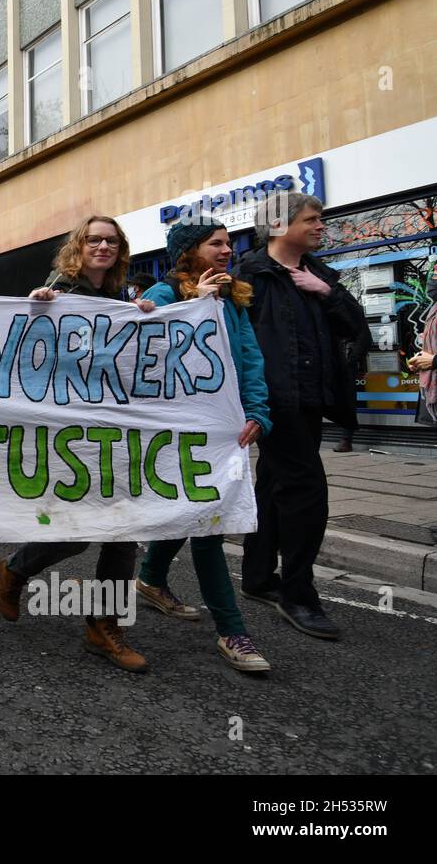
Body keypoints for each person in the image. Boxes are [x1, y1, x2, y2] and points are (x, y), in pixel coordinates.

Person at [0, 215, 158, 672]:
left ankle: (103, 627)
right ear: (79, 247)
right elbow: (29, 348)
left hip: (117, 433)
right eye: (94, 240)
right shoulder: (58, 295)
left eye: (111, 240)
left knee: (123, 531)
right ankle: (16, 568)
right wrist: (36, 305)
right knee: (78, 534)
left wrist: (145, 318)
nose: (103, 246)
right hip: (70, 436)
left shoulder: (120, 299)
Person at [136, 218, 274, 673]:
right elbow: (140, 346)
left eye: (229, 244)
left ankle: (151, 579)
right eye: (216, 243)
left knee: (196, 510)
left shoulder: (234, 299)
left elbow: (248, 358)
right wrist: (194, 306)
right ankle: (232, 630)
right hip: (172, 430)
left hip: (220, 428)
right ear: (188, 252)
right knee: (209, 521)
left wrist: (257, 411)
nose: (227, 250)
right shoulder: (163, 295)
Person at [235, 192, 369, 641]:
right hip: (274, 404)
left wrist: (327, 293)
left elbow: (357, 328)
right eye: (312, 220)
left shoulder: (321, 274)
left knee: (274, 484)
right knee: (307, 491)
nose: (320, 226)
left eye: (321, 219)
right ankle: (298, 595)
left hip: (312, 401)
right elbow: (226, 341)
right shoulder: (249, 276)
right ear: (279, 225)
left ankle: (256, 576)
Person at [408, 266, 436, 424]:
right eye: (433, 275)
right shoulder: (434, 310)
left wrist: (434, 361)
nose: (432, 282)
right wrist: (421, 360)